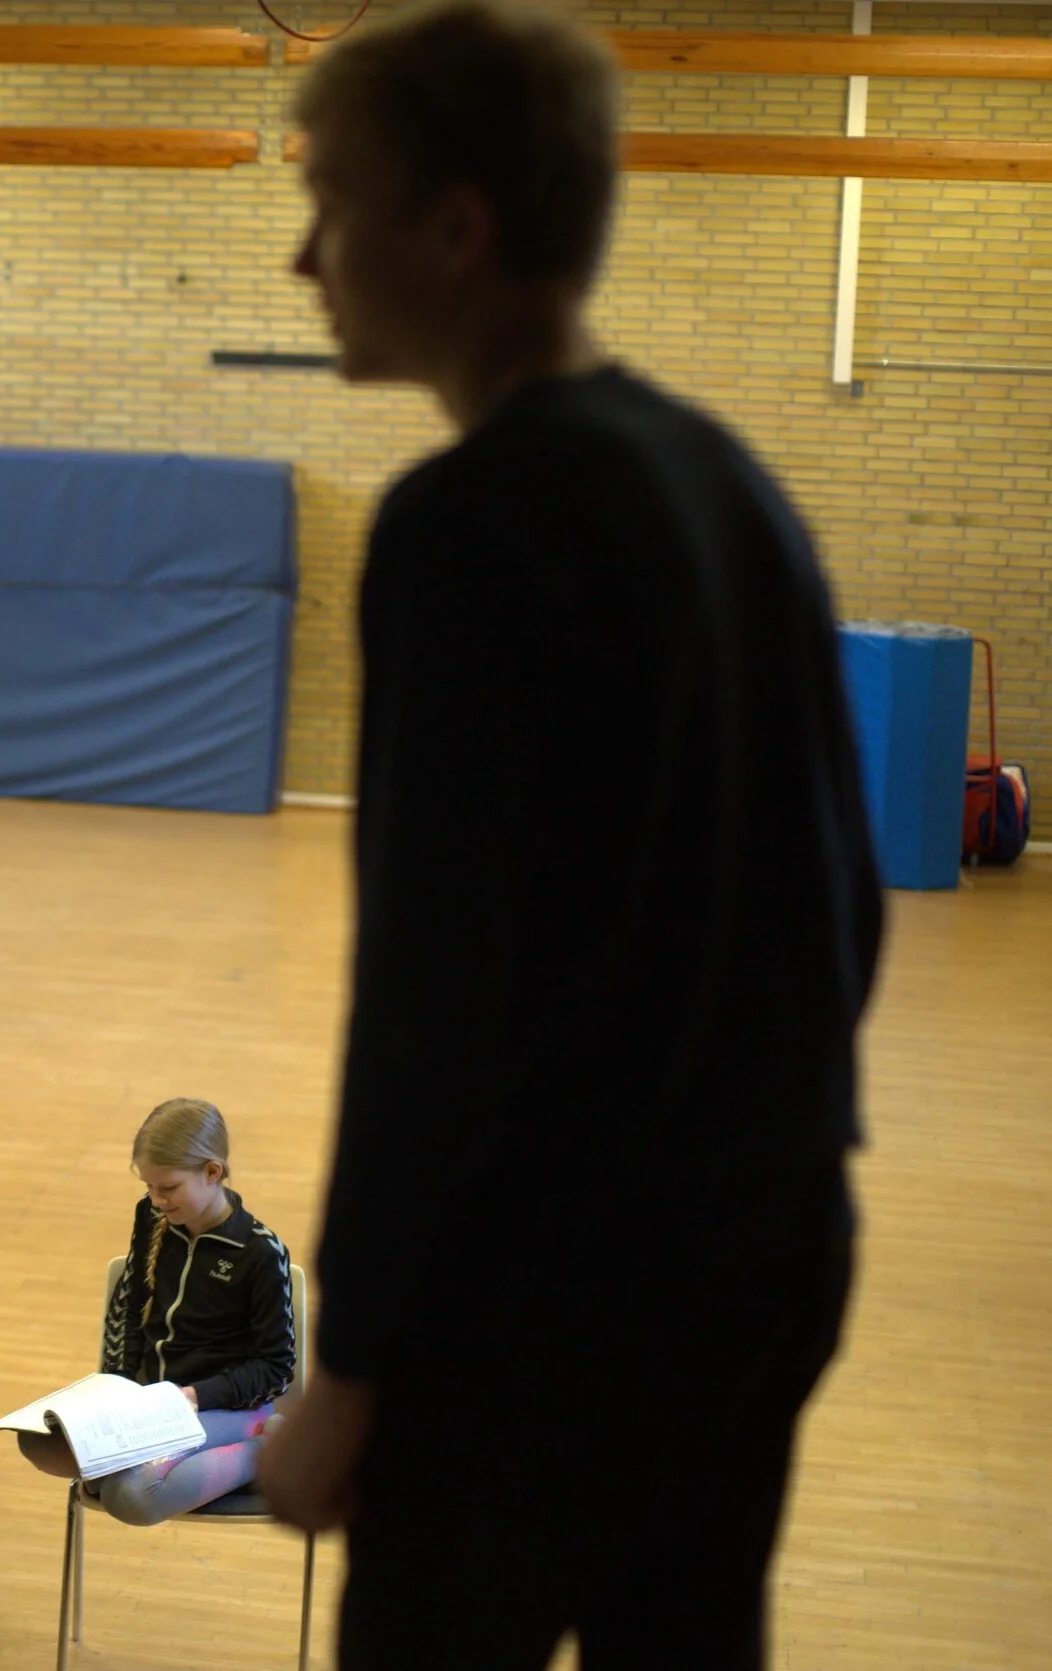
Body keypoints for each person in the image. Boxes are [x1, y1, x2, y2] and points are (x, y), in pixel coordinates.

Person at [254, 5, 886, 1667]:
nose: (304, 258)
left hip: (546, 1312)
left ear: (457, 230)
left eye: (333, 203)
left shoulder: (466, 525)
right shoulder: (729, 479)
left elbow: (429, 1001)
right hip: (768, 1253)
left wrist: (352, 1366)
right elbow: (846, 909)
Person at [17, 1099, 294, 1524]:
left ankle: (271, 1452)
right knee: (40, 1442)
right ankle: (159, 1464)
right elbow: (128, 1309)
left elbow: (275, 1369)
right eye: (148, 1186)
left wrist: (195, 1396)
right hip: (152, 1407)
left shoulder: (259, 1252)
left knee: (131, 1497)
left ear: (212, 1172)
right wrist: (116, 1387)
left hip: (225, 1408)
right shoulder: (151, 1216)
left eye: (168, 1188)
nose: (157, 1200)